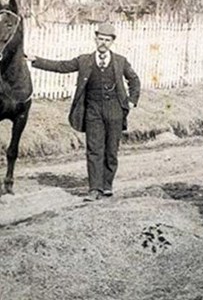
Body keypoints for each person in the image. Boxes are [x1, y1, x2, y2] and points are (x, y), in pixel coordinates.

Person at [29, 22, 140, 201]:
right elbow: (61, 66)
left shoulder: (120, 61)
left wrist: (132, 101)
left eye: (107, 40)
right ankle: (94, 189)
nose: (103, 43)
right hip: (92, 110)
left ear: (112, 41)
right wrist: (36, 60)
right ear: (95, 39)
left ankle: (107, 186)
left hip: (115, 110)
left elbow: (134, 80)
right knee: (94, 149)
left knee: (111, 150)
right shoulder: (84, 60)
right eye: (100, 39)